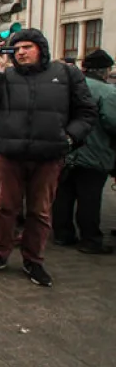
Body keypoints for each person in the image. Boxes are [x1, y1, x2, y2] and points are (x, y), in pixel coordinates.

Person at [0, 30, 96, 287]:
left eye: (27, 47)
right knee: (4, 208)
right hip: (9, 155)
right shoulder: (4, 75)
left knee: (39, 211)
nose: (21, 52)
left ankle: (33, 260)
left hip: (48, 157)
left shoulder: (65, 74)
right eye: (16, 48)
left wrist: (69, 138)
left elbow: (86, 112)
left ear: (41, 49)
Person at [52, 49, 116, 254]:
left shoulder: (65, 88)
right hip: (94, 151)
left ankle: (62, 234)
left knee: (63, 194)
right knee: (89, 197)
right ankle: (90, 240)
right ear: (105, 70)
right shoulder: (107, 92)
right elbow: (113, 123)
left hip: (66, 149)